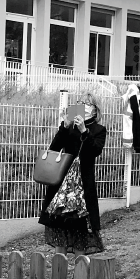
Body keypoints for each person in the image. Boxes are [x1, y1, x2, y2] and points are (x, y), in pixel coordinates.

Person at [38, 91, 107, 255]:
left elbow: (95, 150)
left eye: (87, 104)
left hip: (82, 187)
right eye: (80, 102)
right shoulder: (70, 128)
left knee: (81, 231)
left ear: (95, 110)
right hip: (62, 186)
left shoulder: (99, 130)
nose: (83, 106)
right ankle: (58, 274)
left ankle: (80, 272)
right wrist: (64, 126)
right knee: (60, 228)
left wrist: (84, 131)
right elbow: (53, 149)